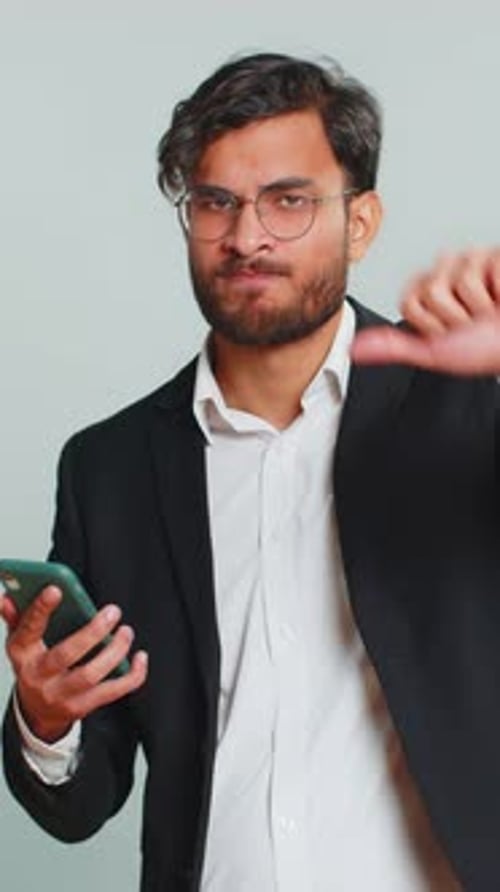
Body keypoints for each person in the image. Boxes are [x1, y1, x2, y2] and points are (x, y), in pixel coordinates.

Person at [2, 51, 500, 892]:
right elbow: (85, 800)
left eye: (289, 201)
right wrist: (46, 719)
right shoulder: (108, 467)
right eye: (215, 203)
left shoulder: (469, 410)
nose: (247, 237)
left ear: (362, 221)